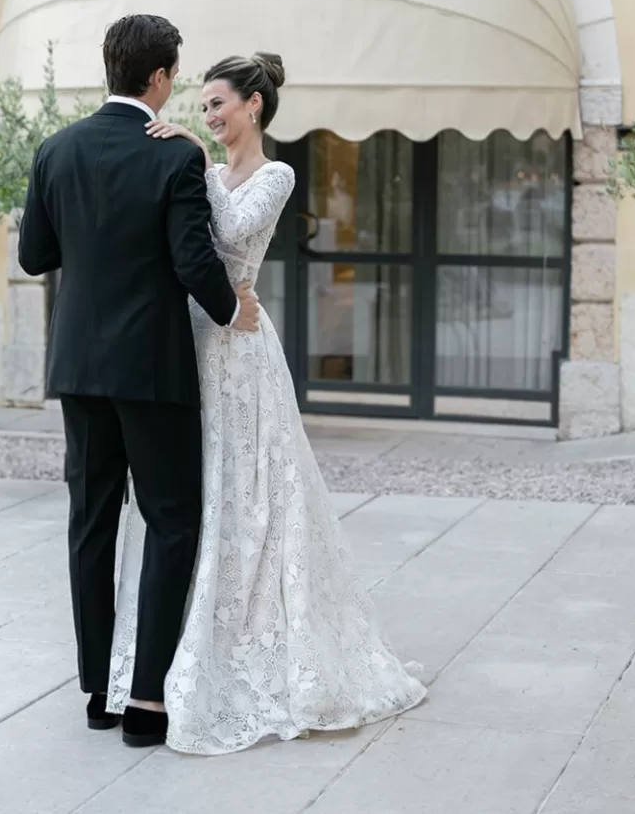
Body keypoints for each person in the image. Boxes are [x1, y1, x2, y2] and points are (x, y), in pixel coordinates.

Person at [103, 52, 427, 755]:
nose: (210, 116)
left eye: (219, 104)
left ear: (254, 104)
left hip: (241, 348)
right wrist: (194, 167)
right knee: (194, 496)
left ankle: (252, 637)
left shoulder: (273, 174)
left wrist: (190, 154)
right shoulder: (208, 172)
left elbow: (229, 236)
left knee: (252, 494)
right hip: (194, 339)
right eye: (204, 106)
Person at [16, 15, 262, 749]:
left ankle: (98, 688)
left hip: (79, 370)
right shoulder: (172, 159)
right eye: (176, 74)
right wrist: (234, 310)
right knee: (172, 518)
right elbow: (193, 261)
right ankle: (147, 700)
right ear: (158, 78)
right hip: (151, 369)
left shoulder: (55, 150)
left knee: (91, 522)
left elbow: (35, 255)